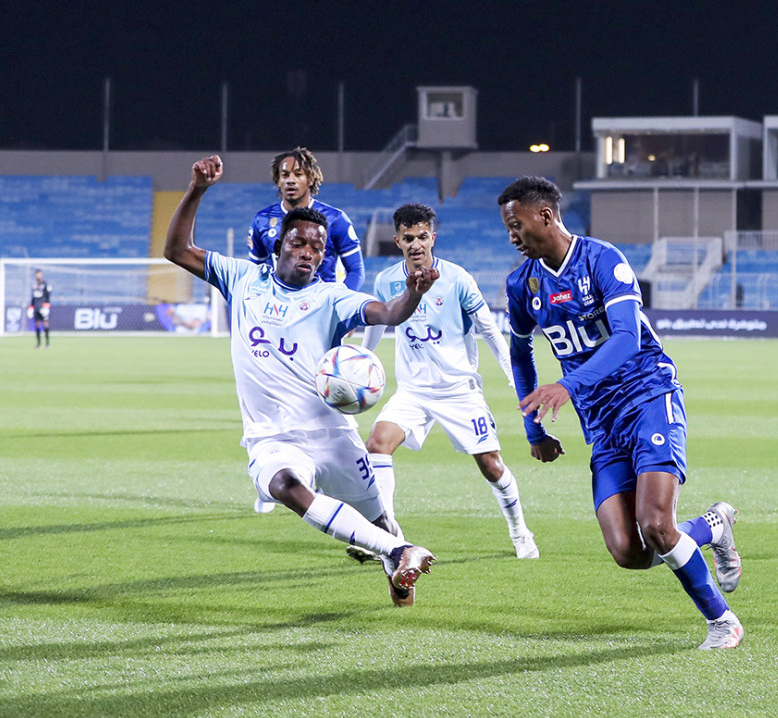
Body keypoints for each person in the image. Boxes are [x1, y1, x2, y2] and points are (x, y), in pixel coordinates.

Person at [164, 155, 438, 606]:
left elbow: (387, 314)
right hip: (273, 437)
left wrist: (413, 291)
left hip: (333, 434)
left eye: (317, 247)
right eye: (299, 243)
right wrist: (196, 189)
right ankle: (401, 552)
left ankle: (399, 573)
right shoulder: (242, 279)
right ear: (278, 247)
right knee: (285, 486)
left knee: (381, 522)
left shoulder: (332, 297)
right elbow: (176, 251)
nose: (309, 252)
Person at [498, 176, 743, 650]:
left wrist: (567, 384)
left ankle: (722, 622)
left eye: (517, 224)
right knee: (628, 552)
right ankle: (712, 527)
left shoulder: (602, 260)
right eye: (507, 226)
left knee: (655, 523)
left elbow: (628, 338)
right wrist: (534, 428)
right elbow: (521, 353)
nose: (512, 234)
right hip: (601, 420)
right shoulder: (521, 284)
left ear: (545, 216)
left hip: (648, 396)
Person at [354, 203, 539, 562]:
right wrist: (364, 363)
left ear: (432, 238)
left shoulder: (457, 279)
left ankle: (520, 531)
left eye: (422, 236)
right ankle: (387, 537)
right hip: (413, 392)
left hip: (459, 391)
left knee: (491, 465)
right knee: (377, 444)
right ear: (397, 241)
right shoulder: (387, 280)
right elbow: (377, 327)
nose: (416, 244)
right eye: (408, 238)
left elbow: (489, 331)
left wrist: (513, 379)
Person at [247, 146, 365, 290]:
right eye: (285, 175)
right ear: (278, 180)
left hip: (320, 305)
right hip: (279, 306)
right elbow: (255, 269)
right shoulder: (262, 220)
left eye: (298, 174)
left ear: (310, 179)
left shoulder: (335, 219)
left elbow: (356, 271)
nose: (290, 180)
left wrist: (338, 303)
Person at [28, 269, 51, 348]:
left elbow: (48, 296)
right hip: (36, 307)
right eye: (37, 274)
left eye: (39, 274)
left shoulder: (45, 284)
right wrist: (31, 307)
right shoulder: (34, 285)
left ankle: (47, 343)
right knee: (37, 325)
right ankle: (38, 343)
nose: (38, 276)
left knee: (45, 324)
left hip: (43, 308)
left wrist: (46, 307)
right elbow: (33, 298)